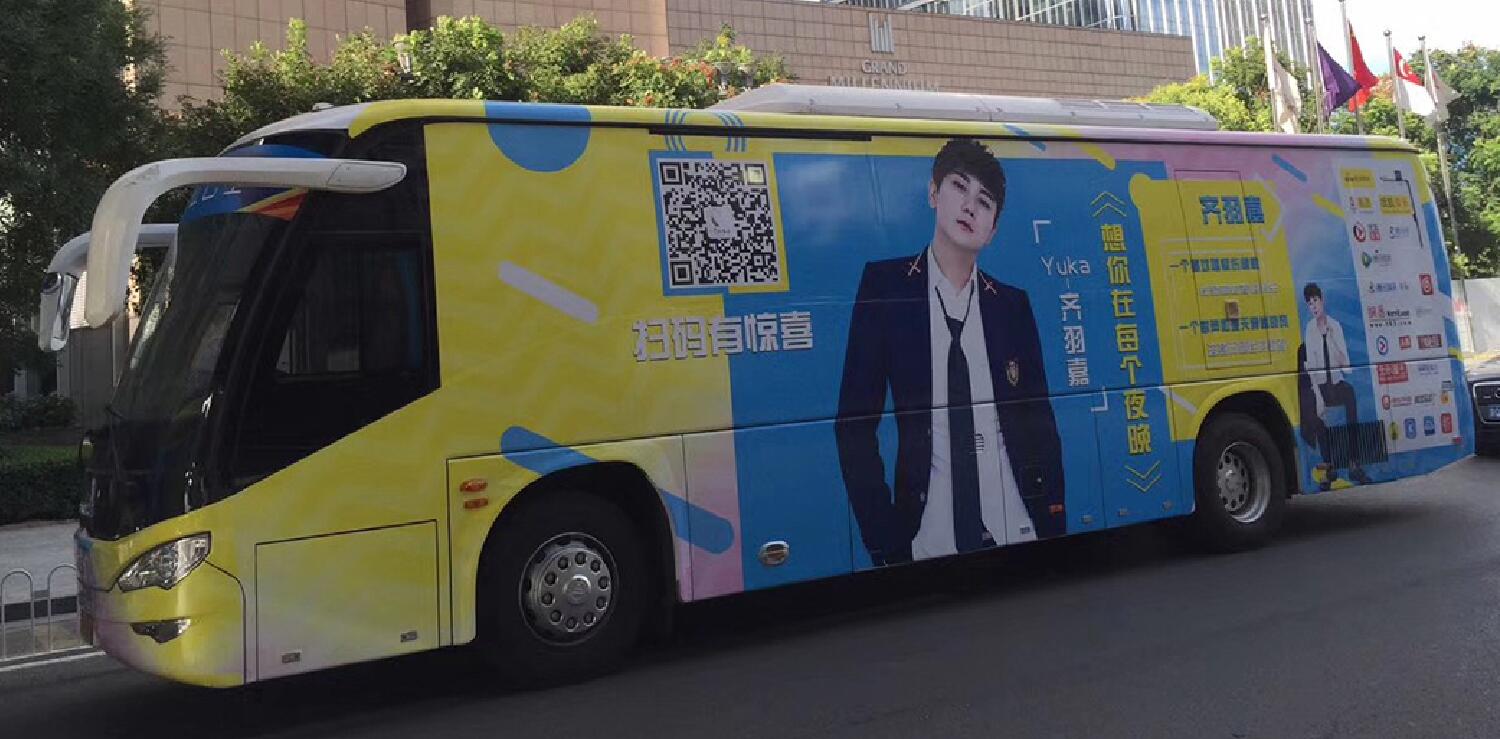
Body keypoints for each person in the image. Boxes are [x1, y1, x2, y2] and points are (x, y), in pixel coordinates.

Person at [834, 138, 1064, 567]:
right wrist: (885, 540)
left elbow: (1040, 422)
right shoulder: (886, 287)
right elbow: (853, 426)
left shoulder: (1011, 305)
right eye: (959, 186)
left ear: (993, 230)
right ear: (933, 192)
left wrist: (1052, 522)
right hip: (922, 536)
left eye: (985, 201)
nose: (970, 207)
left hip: (1019, 522)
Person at [1300, 282, 1370, 487]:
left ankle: (1354, 463)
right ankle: (1329, 468)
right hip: (1320, 386)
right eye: (1309, 303)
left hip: (1337, 383)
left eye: (1315, 301)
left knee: (1350, 395)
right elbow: (1311, 368)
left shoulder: (1335, 326)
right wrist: (1318, 397)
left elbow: (1346, 367)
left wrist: (1332, 339)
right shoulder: (1310, 330)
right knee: (1315, 412)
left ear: (1322, 300)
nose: (1313, 306)